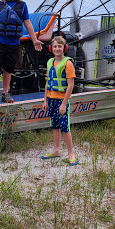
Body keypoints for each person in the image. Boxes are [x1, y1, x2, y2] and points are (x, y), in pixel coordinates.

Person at [41, 36, 77, 165]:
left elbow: (71, 85)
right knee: (55, 125)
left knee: (65, 127)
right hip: (51, 99)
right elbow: (47, 82)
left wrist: (63, 104)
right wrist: (45, 100)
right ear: (51, 48)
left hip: (62, 101)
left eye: (59, 46)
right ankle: (56, 150)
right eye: (55, 46)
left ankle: (71, 153)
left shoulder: (68, 63)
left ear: (64, 48)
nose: (57, 49)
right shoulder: (50, 62)